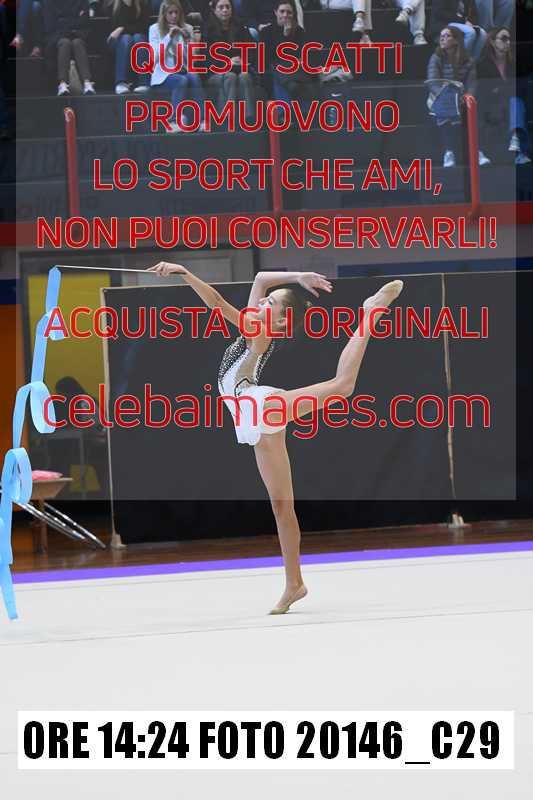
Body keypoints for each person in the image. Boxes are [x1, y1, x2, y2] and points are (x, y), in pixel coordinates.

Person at [147, 261, 404, 614]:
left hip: (259, 405)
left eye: (270, 304)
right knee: (282, 506)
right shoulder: (257, 322)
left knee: (342, 386)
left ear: (281, 321)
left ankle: (371, 311)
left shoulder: (259, 330)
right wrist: (297, 276)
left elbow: (217, 303)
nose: (260, 303)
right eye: (264, 301)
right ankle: (294, 584)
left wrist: (184, 272)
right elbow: (259, 278)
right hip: (251, 415)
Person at [427, 26, 490, 167]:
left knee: (470, 111)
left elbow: (471, 83)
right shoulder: (436, 57)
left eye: (447, 36)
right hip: (440, 97)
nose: (442, 39)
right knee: (448, 114)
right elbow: (433, 82)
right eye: (441, 36)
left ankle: (476, 152)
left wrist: (467, 95)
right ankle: (449, 152)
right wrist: (446, 96)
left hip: (461, 98)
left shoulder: (468, 60)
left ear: (456, 40)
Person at [148, 0, 206, 131]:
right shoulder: (154, 29)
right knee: (181, 80)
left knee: (194, 77)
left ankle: (202, 119)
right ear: (164, 14)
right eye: (170, 13)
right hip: (163, 74)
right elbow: (155, 57)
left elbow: (192, 60)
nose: (174, 16)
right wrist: (169, 36)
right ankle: (174, 121)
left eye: (176, 12)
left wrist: (188, 41)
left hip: (183, 69)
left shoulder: (188, 28)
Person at [477, 27, 531, 165]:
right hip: (491, 105)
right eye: (503, 39)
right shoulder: (482, 64)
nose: (508, 42)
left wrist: (501, 89)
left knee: (516, 102)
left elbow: (521, 85)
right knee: (513, 101)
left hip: (511, 102)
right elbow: (483, 90)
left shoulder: (514, 63)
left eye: (509, 39)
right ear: (492, 42)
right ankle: (517, 148)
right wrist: (504, 89)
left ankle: (516, 141)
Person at [202, 0, 256, 119]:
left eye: (228, 7)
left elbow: (252, 50)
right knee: (230, 77)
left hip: (240, 69)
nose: (225, 10)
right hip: (215, 73)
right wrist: (228, 63)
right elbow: (206, 59)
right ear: (214, 10)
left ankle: (249, 118)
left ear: (232, 9)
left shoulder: (240, 27)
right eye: (221, 7)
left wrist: (244, 60)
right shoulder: (207, 30)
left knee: (245, 77)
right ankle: (227, 118)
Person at [259, 0, 317, 102]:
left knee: (301, 82)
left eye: (289, 12)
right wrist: (285, 37)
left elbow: (300, 54)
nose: (285, 15)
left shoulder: (299, 31)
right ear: (276, 12)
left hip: (295, 69)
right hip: (276, 67)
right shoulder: (266, 31)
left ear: (293, 14)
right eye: (282, 11)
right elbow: (267, 57)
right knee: (292, 84)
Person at [41, 0, 96, 95]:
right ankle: (63, 83)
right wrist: (75, 22)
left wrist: (64, 22)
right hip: (56, 36)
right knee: (65, 43)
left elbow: (85, 21)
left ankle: (87, 83)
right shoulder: (49, 2)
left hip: (77, 35)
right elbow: (50, 25)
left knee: (77, 43)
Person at [107, 0, 151, 94]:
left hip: (137, 39)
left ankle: (144, 82)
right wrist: (124, 30)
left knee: (138, 38)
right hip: (118, 42)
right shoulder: (113, 5)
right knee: (126, 38)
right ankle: (121, 83)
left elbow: (143, 27)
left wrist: (122, 28)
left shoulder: (142, 4)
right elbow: (113, 30)